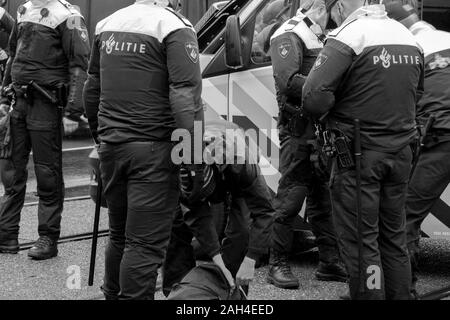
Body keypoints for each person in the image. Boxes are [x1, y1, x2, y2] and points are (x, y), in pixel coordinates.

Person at [303, 0, 424, 300]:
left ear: (341, 6)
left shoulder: (349, 36)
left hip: (358, 158)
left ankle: (370, 296)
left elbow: (313, 97)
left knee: (362, 241)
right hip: (400, 154)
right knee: (393, 238)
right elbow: (417, 92)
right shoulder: (407, 37)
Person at [83, 0, 204, 300]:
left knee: (120, 236)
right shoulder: (173, 26)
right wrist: (193, 156)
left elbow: (91, 89)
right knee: (144, 246)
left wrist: (101, 138)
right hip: (153, 152)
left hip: (112, 147)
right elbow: (185, 97)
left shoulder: (107, 24)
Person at [0, 0, 90, 260]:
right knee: (11, 172)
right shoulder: (25, 9)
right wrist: (5, 99)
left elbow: (79, 63)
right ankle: (7, 235)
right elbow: (14, 53)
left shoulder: (70, 16)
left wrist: (73, 111)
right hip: (19, 103)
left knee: (47, 174)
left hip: (46, 104)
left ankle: (48, 238)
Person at [267, 0, 346, 290]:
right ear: (322, 6)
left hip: (321, 130)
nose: (342, 15)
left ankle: (330, 262)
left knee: (323, 199)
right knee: (290, 197)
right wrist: (333, 88)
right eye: (338, 8)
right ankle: (277, 264)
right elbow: (288, 81)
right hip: (298, 130)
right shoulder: (290, 34)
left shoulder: (324, 35)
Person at [162, 120, 274, 297]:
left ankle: (233, 291)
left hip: (233, 155)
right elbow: (198, 218)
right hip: (201, 160)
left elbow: (265, 212)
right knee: (177, 225)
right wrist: (217, 260)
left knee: (241, 232)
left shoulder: (241, 163)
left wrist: (251, 259)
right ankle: (180, 292)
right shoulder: (179, 166)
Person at [385, 0, 450, 298]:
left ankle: (401, 291)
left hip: (440, 138)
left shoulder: (408, 48)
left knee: (406, 214)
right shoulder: (447, 38)